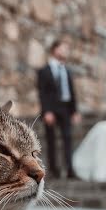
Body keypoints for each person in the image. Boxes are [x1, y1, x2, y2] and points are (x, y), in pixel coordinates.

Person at [36, 38, 81, 179]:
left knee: (67, 138)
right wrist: (47, 111)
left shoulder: (66, 70)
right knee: (51, 139)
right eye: (63, 48)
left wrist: (74, 111)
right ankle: (54, 169)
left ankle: (69, 169)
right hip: (51, 109)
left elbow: (71, 91)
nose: (65, 51)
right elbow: (42, 93)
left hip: (66, 108)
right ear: (55, 50)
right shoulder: (44, 70)